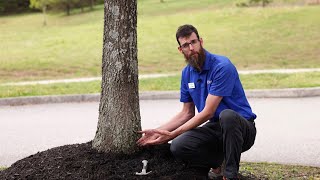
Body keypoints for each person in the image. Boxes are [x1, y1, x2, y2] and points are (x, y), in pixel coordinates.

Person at [137, 24, 257, 180]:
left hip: (241, 129)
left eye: (193, 42)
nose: (191, 48)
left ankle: (230, 175)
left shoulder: (222, 66)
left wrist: (173, 133)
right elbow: (186, 113)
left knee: (227, 116)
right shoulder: (186, 74)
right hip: (215, 129)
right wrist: (158, 131)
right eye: (186, 45)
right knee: (178, 146)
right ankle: (218, 164)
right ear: (181, 50)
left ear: (201, 41)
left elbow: (208, 112)